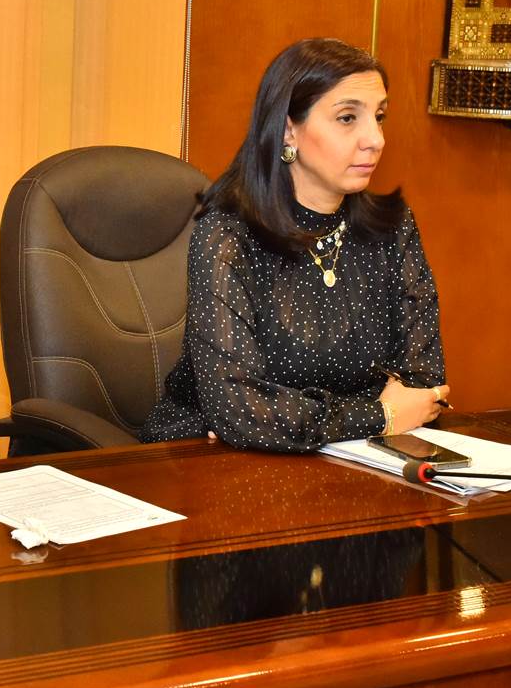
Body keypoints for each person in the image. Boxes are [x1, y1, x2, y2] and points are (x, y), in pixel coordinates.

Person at [140, 38, 446, 451]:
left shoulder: (391, 227)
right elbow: (240, 412)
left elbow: (424, 384)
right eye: (347, 118)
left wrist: (284, 418)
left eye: (379, 117)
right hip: (208, 460)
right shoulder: (228, 236)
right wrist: (380, 414)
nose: (375, 139)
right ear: (288, 129)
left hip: (351, 458)